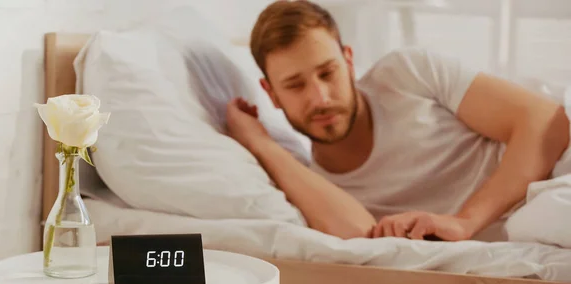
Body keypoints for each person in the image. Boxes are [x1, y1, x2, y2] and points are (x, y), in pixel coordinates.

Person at [225, 0, 570, 241]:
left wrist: (465, 221)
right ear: (271, 94)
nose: (320, 98)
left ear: (348, 60)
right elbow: (358, 235)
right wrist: (261, 144)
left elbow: (545, 121)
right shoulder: (315, 186)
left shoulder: (405, 73)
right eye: (295, 85)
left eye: (327, 73)